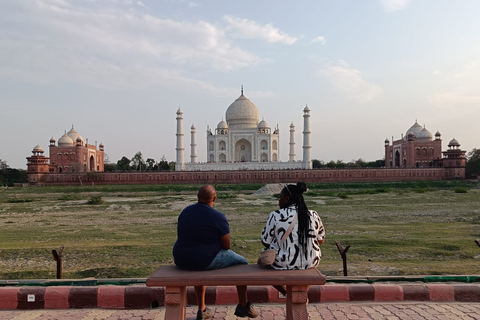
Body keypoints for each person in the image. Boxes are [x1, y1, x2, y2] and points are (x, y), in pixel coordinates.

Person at [173, 185, 258, 320]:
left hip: (181, 258)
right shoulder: (218, 216)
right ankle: (243, 305)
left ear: (197, 197)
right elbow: (226, 245)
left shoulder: (185, 212)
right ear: (215, 198)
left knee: (199, 261)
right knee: (243, 262)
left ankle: (202, 309)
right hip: (204, 260)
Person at [261, 182, 325, 270]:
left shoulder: (275, 215)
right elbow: (321, 240)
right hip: (311, 261)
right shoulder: (313, 214)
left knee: (263, 263)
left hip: (283, 263)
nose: (279, 200)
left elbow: (265, 242)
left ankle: (284, 284)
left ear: (287, 199)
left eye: (280, 197)